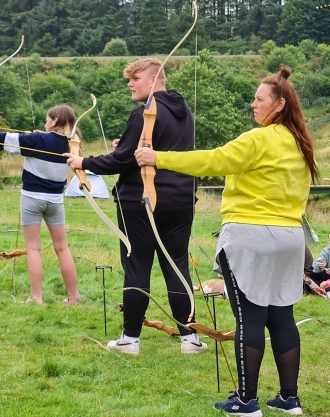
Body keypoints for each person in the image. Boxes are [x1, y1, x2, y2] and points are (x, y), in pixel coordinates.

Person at [136, 67, 318, 417]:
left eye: (259, 99)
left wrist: (157, 157)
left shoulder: (258, 139)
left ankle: (246, 402)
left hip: (252, 237)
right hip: (290, 239)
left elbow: (214, 159)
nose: (253, 104)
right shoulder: (300, 143)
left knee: (249, 317)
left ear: (279, 105)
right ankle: (288, 399)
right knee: (281, 317)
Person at [65, 58, 206, 355]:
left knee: (137, 265)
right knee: (176, 266)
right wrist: (125, 146)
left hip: (142, 200)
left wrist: (83, 162)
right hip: (181, 200)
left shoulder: (144, 113)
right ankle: (190, 339)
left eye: (136, 78)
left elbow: (122, 160)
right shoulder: (184, 113)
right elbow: (146, 150)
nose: (130, 83)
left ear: (154, 80)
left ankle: (130, 339)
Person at [0, 106, 80, 305]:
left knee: (33, 249)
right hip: (55, 201)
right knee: (62, 248)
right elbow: (52, 145)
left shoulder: (37, 141)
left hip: (32, 199)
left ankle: (36, 298)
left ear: (54, 121)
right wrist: (43, 136)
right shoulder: (74, 144)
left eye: (47, 120)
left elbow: (5, 140)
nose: (44, 124)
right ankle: (74, 297)